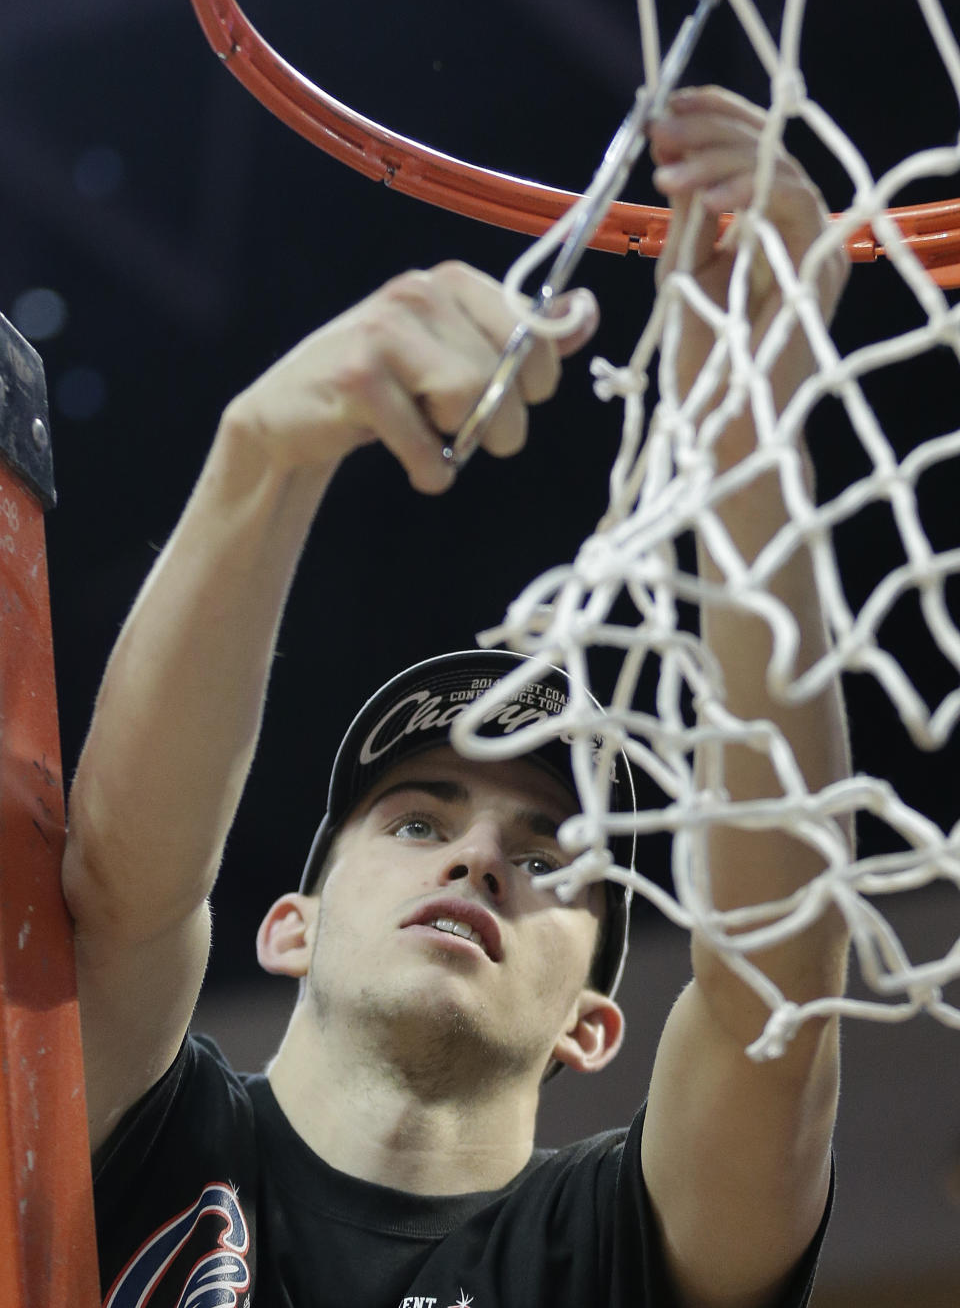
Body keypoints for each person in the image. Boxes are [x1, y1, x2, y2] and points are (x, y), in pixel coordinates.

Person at [63, 87, 852, 1308]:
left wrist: (748, 447)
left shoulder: (616, 1244)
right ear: (289, 925)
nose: (481, 857)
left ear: (594, 1020)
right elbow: (123, 888)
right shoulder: (142, 1140)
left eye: (549, 854)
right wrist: (260, 456)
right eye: (420, 820)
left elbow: (779, 996)